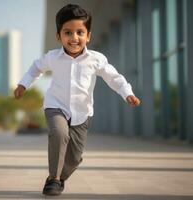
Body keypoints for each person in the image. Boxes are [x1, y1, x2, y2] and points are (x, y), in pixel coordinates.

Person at [14, 4, 141, 196]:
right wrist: (23, 84)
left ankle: (59, 177)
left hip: (82, 113)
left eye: (80, 32)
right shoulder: (53, 57)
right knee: (59, 133)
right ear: (58, 36)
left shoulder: (96, 59)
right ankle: (54, 179)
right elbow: (36, 68)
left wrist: (127, 93)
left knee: (74, 158)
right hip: (55, 106)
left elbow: (114, 77)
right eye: (68, 32)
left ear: (88, 35)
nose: (74, 38)